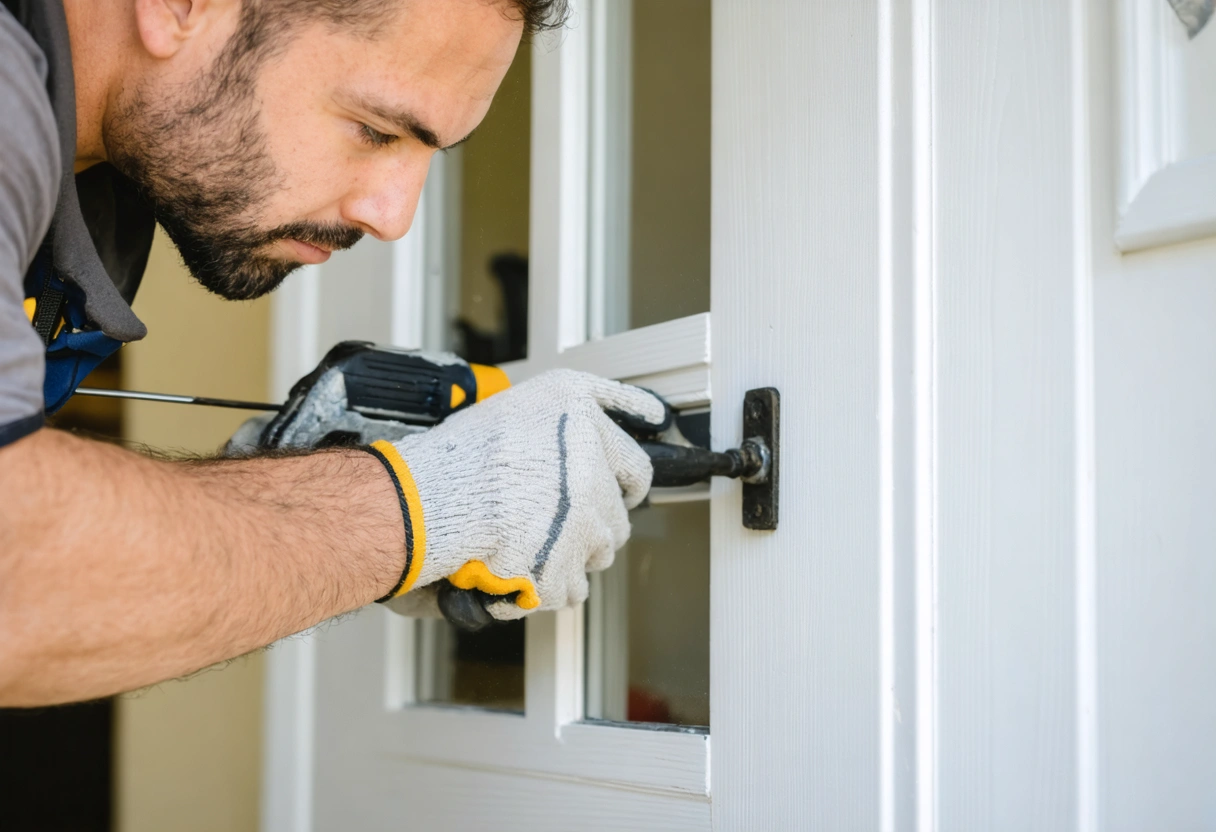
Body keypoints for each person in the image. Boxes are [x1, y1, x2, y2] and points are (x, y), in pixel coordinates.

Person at [0, 0, 666, 707]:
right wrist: (412, 510)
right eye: (375, 130)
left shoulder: (97, 184)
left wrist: (286, 498)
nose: (395, 217)